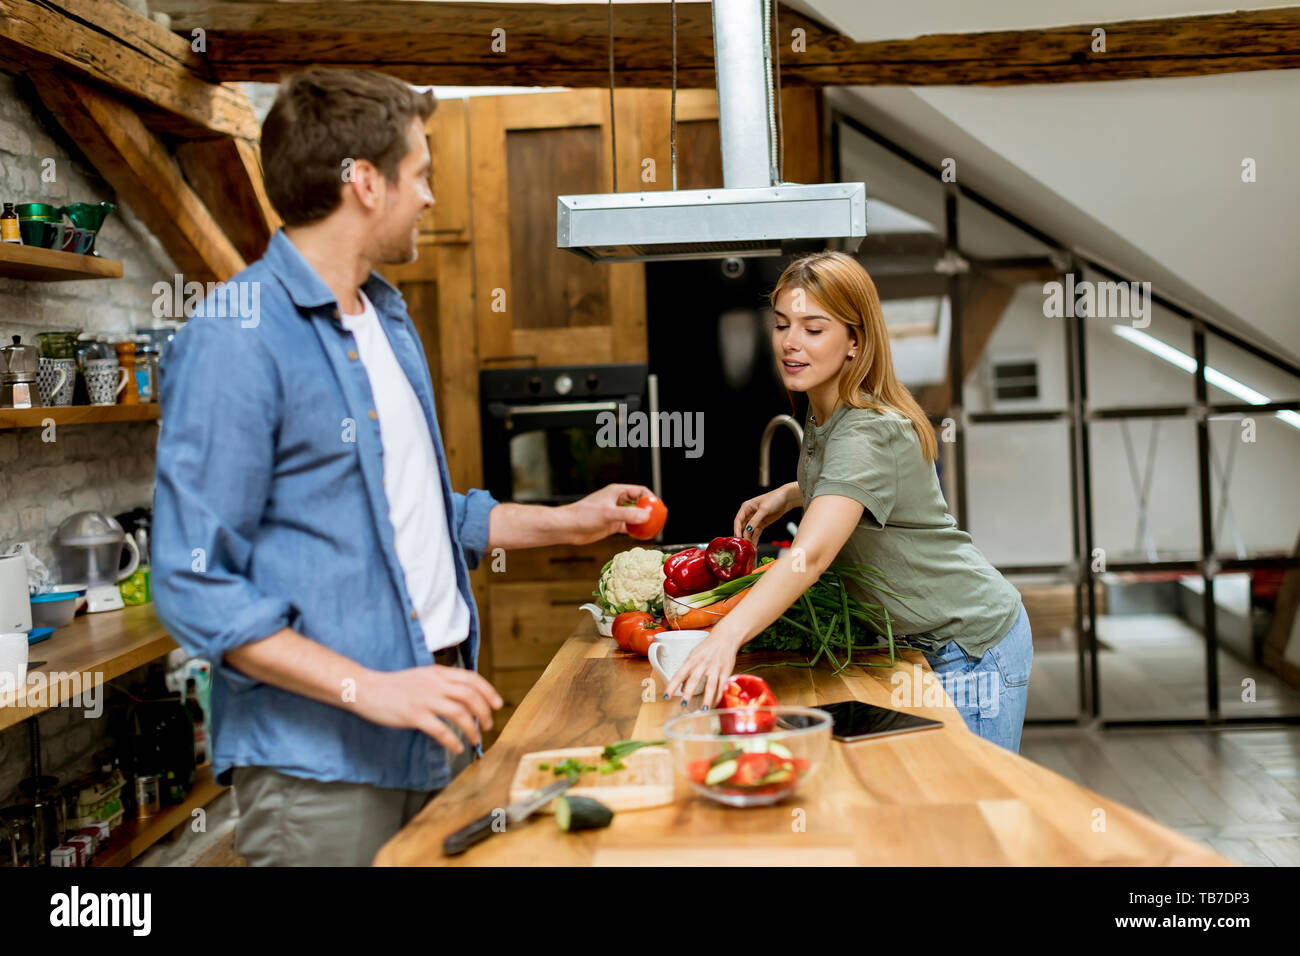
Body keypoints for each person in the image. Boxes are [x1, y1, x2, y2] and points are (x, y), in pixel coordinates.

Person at [152, 67, 653, 866]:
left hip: (437, 721)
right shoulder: (236, 337)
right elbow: (191, 582)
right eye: (419, 174)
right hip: (324, 766)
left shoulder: (385, 316)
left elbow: (418, 514)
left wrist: (569, 518)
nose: (428, 197)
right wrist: (373, 687)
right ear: (363, 182)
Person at [666, 251, 1034, 753]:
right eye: (781, 325)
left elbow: (809, 556)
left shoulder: (865, 431)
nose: (791, 343)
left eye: (814, 329)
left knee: (970, 810)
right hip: (921, 646)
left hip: (970, 647)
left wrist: (725, 637)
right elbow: (855, 488)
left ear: (854, 342)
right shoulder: (828, 412)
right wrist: (792, 494)